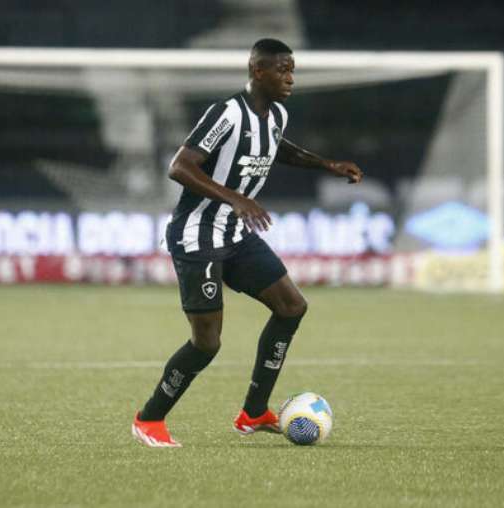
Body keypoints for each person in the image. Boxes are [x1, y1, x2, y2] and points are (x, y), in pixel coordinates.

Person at [132, 39, 363, 447]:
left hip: (236, 235)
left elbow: (277, 148)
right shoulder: (226, 113)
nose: (290, 78)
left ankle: (254, 412)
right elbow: (180, 166)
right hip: (197, 235)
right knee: (207, 343)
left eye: (293, 70)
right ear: (258, 71)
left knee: (291, 307)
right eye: (283, 70)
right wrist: (236, 198)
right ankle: (149, 420)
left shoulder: (277, 116)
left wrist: (326, 164)